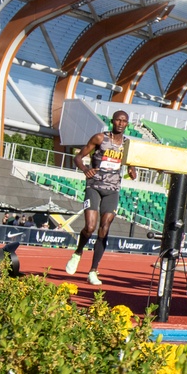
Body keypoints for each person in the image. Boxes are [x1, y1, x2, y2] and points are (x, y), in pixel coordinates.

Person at [66, 110, 136, 285]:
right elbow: (78, 157)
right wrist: (84, 169)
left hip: (113, 189)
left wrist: (132, 170)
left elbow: (131, 163)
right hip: (94, 186)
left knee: (104, 228)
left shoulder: (128, 145)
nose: (120, 123)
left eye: (124, 121)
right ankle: (78, 252)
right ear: (112, 121)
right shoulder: (99, 138)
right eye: (118, 120)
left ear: (127, 124)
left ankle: (93, 271)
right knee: (90, 227)